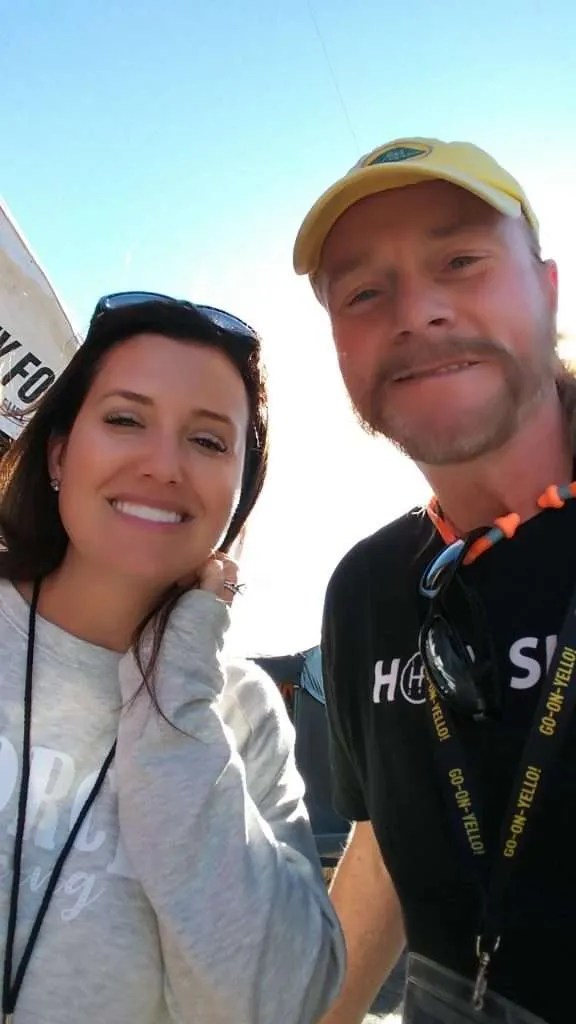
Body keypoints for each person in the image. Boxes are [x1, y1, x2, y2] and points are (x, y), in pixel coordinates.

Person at [0, 291, 345, 1024]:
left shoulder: (242, 711)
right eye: (126, 420)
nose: (163, 466)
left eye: (209, 441)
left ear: (239, 494)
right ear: (59, 452)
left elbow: (274, 1002)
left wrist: (179, 683)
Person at [293, 137, 575, 1023]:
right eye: (363, 294)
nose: (416, 313)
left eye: (460, 261)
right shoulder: (369, 589)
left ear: (548, 289)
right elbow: (385, 843)